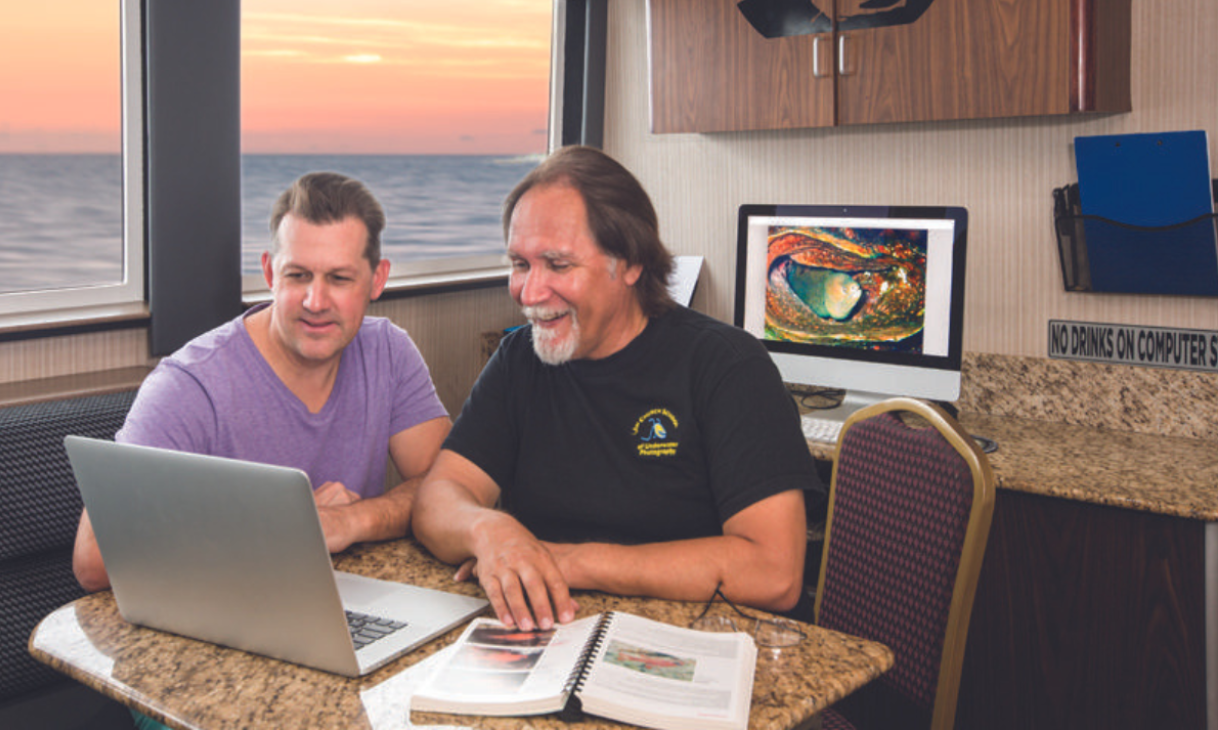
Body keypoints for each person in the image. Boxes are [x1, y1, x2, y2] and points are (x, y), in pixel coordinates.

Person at [412, 146, 821, 632]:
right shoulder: (519, 359)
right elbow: (438, 498)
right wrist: (488, 529)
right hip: (551, 636)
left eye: (558, 265)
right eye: (520, 264)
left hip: (699, 648)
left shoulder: (728, 366)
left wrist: (569, 562)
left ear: (629, 263)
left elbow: (774, 573)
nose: (529, 291)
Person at [72, 172, 452, 592]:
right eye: (298, 276)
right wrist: (282, 527)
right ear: (270, 273)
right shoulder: (188, 385)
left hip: (346, 599)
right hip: (220, 614)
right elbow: (94, 560)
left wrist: (353, 521)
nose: (316, 302)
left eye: (340, 279)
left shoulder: (389, 352)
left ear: (377, 279)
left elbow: (450, 488)